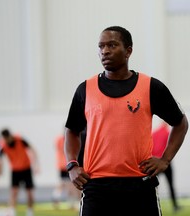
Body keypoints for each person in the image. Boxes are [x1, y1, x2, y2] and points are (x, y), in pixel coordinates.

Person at [64, 26, 188, 216]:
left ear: (128, 50)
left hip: (140, 186)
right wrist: (72, 165)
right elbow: (71, 131)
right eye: (101, 46)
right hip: (96, 187)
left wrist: (165, 160)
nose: (104, 51)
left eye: (112, 45)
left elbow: (180, 123)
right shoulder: (85, 89)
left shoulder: (151, 87)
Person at [0, 128, 39, 216]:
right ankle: (12, 212)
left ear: (10, 136)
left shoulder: (19, 140)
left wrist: (36, 165)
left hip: (26, 168)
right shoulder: (3, 145)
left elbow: (32, 149)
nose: (6, 140)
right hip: (15, 170)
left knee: (29, 193)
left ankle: (30, 212)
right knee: (13, 192)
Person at [152, 122, 180, 212]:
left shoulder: (154, 133)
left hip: (156, 162)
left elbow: (152, 147)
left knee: (153, 185)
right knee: (171, 185)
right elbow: (171, 146)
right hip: (165, 162)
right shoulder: (168, 133)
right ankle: (175, 206)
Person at [52, 132, 80, 210]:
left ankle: (56, 196)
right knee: (71, 185)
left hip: (61, 164)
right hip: (68, 164)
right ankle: (73, 203)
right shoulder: (69, 139)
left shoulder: (58, 139)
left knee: (63, 183)